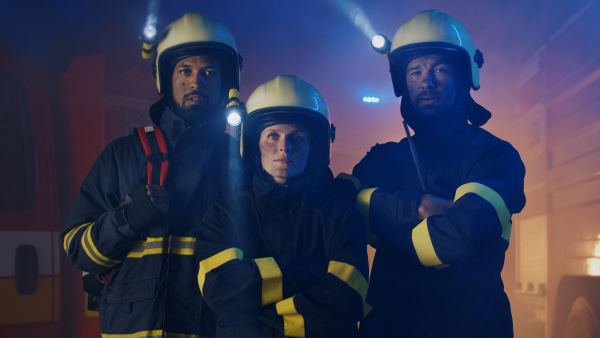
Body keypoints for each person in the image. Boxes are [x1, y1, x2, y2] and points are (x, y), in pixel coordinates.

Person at [338, 10, 526, 337]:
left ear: (465, 76)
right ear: (402, 83)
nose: (427, 81)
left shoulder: (495, 156)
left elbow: (453, 241)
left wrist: (372, 208)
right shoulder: (383, 158)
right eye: (415, 71)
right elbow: (337, 211)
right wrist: (417, 207)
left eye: (440, 68)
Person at [61, 12, 243, 337]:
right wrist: (127, 219)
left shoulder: (239, 162)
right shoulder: (122, 155)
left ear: (224, 83)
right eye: (184, 70)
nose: (196, 82)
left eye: (209, 73)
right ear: (165, 77)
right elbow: (77, 249)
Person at [196, 75, 369, 337]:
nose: (284, 148)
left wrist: (260, 319)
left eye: (297, 138)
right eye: (272, 136)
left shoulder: (341, 213)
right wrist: (311, 270)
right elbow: (221, 289)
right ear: (254, 144)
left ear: (315, 148)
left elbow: (349, 297)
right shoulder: (224, 213)